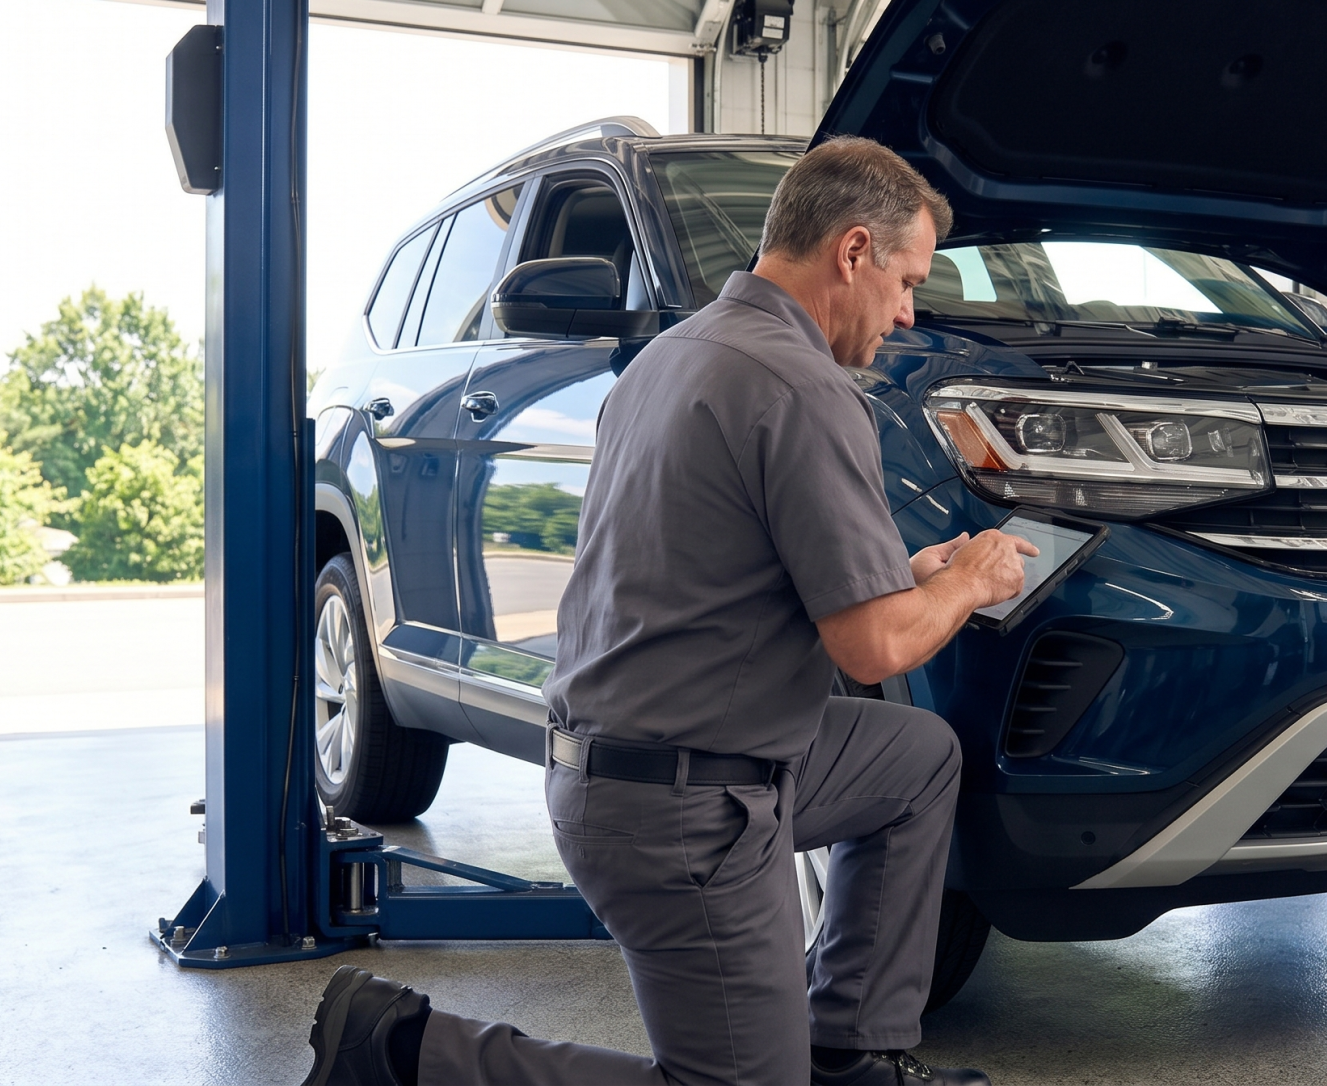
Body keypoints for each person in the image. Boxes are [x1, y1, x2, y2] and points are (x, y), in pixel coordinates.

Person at [301, 135, 1035, 1086]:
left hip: (643, 762)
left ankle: (850, 1051)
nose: (907, 313)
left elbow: (713, 570)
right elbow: (874, 645)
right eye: (907, 282)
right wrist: (967, 579)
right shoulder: (806, 387)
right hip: (681, 805)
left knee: (915, 758)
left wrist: (902, 570)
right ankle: (400, 1049)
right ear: (853, 252)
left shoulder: (670, 358)